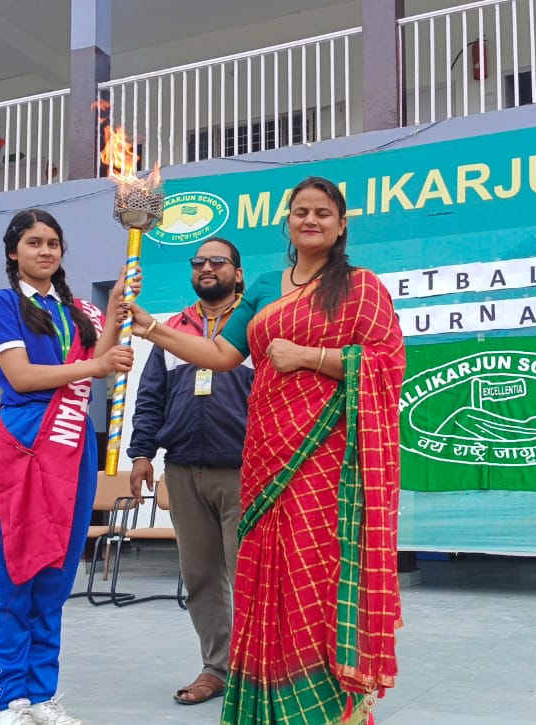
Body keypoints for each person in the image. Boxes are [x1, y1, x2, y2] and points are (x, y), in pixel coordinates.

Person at [125, 177, 406, 725]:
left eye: (322, 212)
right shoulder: (260, 288)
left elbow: (387, 363)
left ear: (341, 225)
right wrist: (152, 328)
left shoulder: (361, 287)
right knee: (268, 580)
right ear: (288, 222)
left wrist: (307, 356)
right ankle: (273, 702)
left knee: (316, 573)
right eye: (300, 211)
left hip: (325, 457)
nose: (310, 220)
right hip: (265, 452)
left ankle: (330, 706)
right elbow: (218, 354)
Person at [0, 208, 133, 725]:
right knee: (14, 576)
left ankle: (43, 695)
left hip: (72, 448)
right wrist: (97, 364)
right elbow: (21, 376)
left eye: (53, 243)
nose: (45, 251)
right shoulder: (2, 304)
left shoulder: (77, 309)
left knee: (55, 577)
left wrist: (113, 309)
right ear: (13, 252)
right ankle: (10, 700)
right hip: (23, 446)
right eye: (34, 242)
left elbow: (100, 358)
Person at [126, 237, 255, 707]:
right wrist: (142, 454)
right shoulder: (174, 328)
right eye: (198, 261)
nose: (206, 267)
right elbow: (150, 397)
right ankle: (217, 668)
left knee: (250, 577)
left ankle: (256, 671)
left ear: (237, 274)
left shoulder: (254, 325)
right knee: (200, 576)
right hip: (181, 469)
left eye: (218, 261)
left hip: (245, 471)